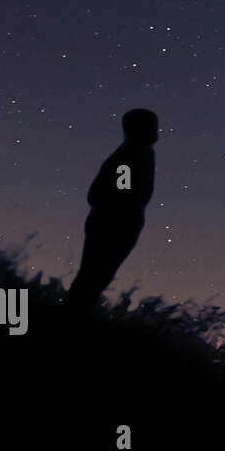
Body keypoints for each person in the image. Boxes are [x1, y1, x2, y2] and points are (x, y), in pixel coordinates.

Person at [66, 109, 158, 312]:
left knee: (94, 276)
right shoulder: (132, 153)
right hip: (114, 223)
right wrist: (122, 213)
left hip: (116, 221)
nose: (156, 130)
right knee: (94, 276)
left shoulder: (138, 152)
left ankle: (72, 313)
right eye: (151, 125)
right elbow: (121, 190)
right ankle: (70, 315)